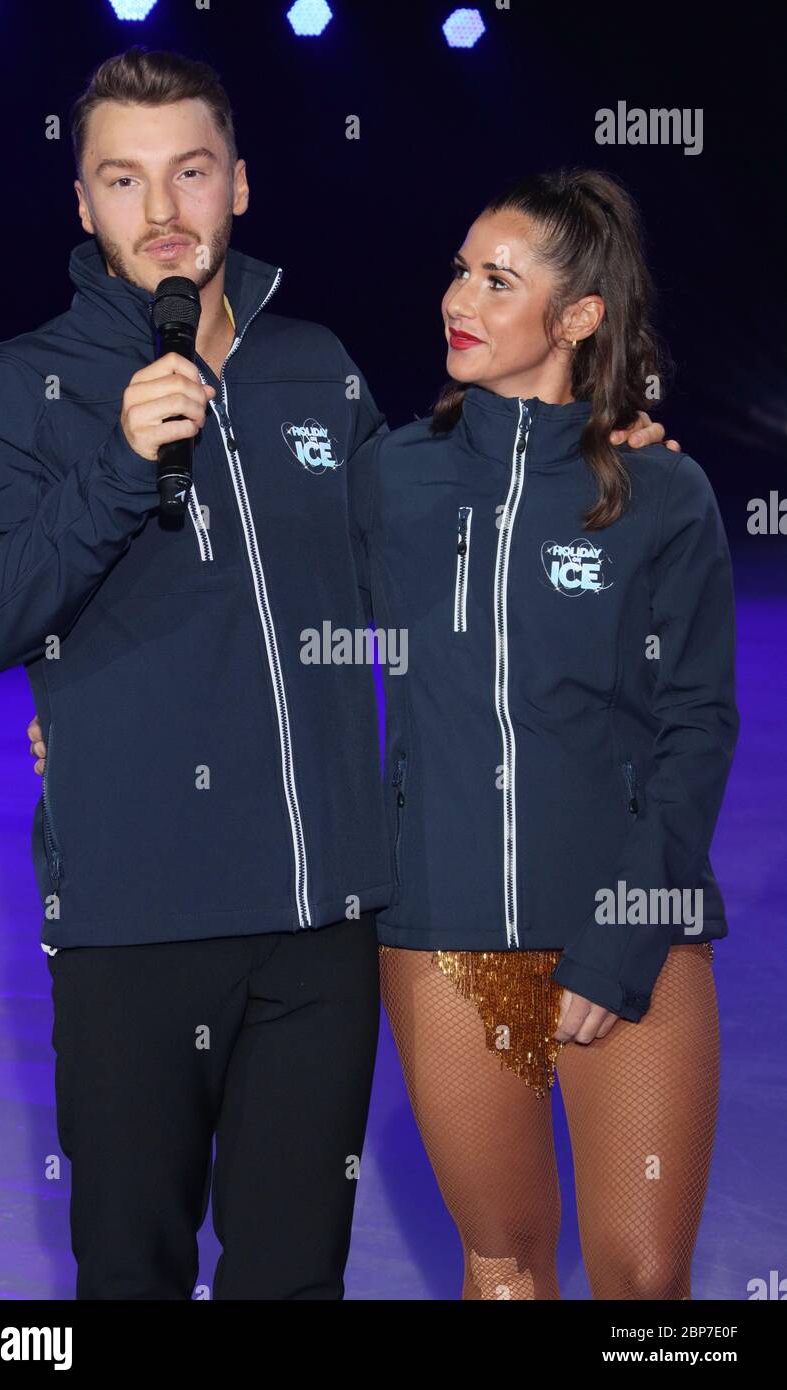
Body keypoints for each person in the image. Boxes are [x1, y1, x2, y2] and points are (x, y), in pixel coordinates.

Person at [0, 45, 675, 1300]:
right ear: (81, 203)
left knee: (293, 1278)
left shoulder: (313, 369)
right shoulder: (19, 389)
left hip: (321, 931)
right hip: (131, 928)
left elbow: (426, 575)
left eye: (190, 172)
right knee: (130, 1271)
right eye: (123, 179)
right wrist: (118, 466)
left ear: (240, 185)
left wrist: (577, 464)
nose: (161, 211)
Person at [350, 169, 739, 1300]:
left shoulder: (661, 496)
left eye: (495, 279)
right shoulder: (392, 476)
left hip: (630, 932)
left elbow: (695, 723)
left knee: (644, 1280)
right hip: (446, 940)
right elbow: (256, 611)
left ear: (576, 319)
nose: (455, 298)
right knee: (503, 1267)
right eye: (459, 269)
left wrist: (620, 939)